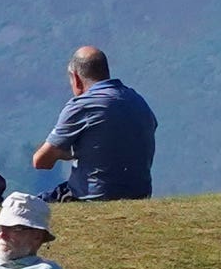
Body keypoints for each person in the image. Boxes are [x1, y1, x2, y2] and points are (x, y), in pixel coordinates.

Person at [29, 46, 157, 201]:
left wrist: (66, 154)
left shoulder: (83, 105)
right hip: (140, 194)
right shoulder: (137, 100)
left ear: (76, 78)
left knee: (27, 208)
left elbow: (41, 161)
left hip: (93, 196)